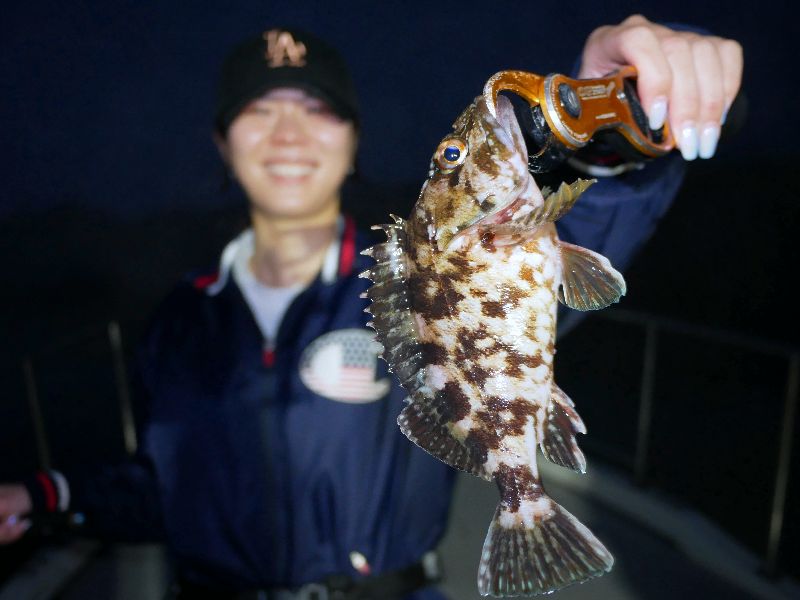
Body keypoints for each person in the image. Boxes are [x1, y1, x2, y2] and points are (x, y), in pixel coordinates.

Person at [0, 15, 742, 599]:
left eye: (317, 109)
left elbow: (595, 222)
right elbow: (168, 491)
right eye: (259, 109)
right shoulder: (177, 323)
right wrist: (44, 493)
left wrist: (616, 121)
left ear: (354, 143)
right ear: (222, 144)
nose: (288, 133)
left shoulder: (421, 276)